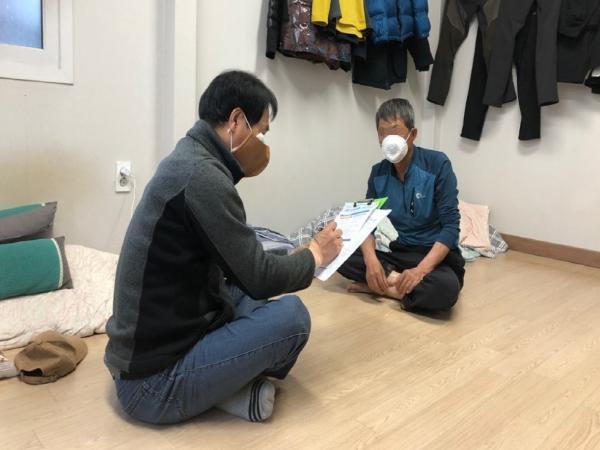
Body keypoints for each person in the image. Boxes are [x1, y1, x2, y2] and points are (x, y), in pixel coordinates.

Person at [104, 70, 342, 425]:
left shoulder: (190, 158)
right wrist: (316, 255)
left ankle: (222, 385)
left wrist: (298, 255)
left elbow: (242, 265)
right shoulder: (203, 177)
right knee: (292, 318)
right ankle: (224, 387)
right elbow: (259, 277)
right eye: (261, 132)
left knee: (244, 290)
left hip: (149, 352)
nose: (263, 143)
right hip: (151, 385)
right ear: (235, 120)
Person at [338, 98, 465, 312]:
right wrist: (370, 260)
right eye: (382, 133)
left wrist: (420, 271)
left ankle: (384, 288)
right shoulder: (378, 173)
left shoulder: (437, 164)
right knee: (338, 251)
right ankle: (399, 285)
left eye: (395, 132)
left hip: (435, 257)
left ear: (412, 134)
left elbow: (451, 227)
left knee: (446, 289)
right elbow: (366, 222)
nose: (388, 140)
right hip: (401, 252)